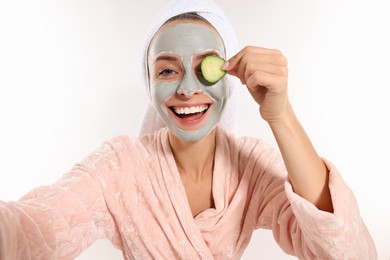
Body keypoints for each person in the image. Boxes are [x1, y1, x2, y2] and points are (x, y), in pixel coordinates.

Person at [0, 0, 377, 259]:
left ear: (228, 77)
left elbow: (343, 250)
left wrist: (281, 115)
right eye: (167, 69)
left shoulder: (249, 165)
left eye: (205, 67)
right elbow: (36, 227)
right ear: (150, 85)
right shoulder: (121, 167)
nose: (187, 89)